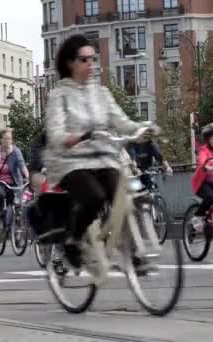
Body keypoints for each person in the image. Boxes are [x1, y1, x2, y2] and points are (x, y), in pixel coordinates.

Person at [44, 34, 154, 268]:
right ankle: (73, 239)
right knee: (94, 197)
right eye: (85, 59)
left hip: (103, 157)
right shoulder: (58, 95)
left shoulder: (102, 93)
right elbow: (54, 134)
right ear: (70, 63)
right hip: (70, 161)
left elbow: (122, 121)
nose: (91, 64)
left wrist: (143, 128)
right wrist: (75, 137)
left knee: (121, 195)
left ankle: (134, 253)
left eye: (93, 59)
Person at [0, 129, 29, 217]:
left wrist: (28, 177)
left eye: (9, 139)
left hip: (14, 182)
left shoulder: (16, 151)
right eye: (5, 139)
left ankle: (15, 222)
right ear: (0, 140)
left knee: (16, 203)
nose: (8, 141)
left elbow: (22, 165)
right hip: (0, 181)